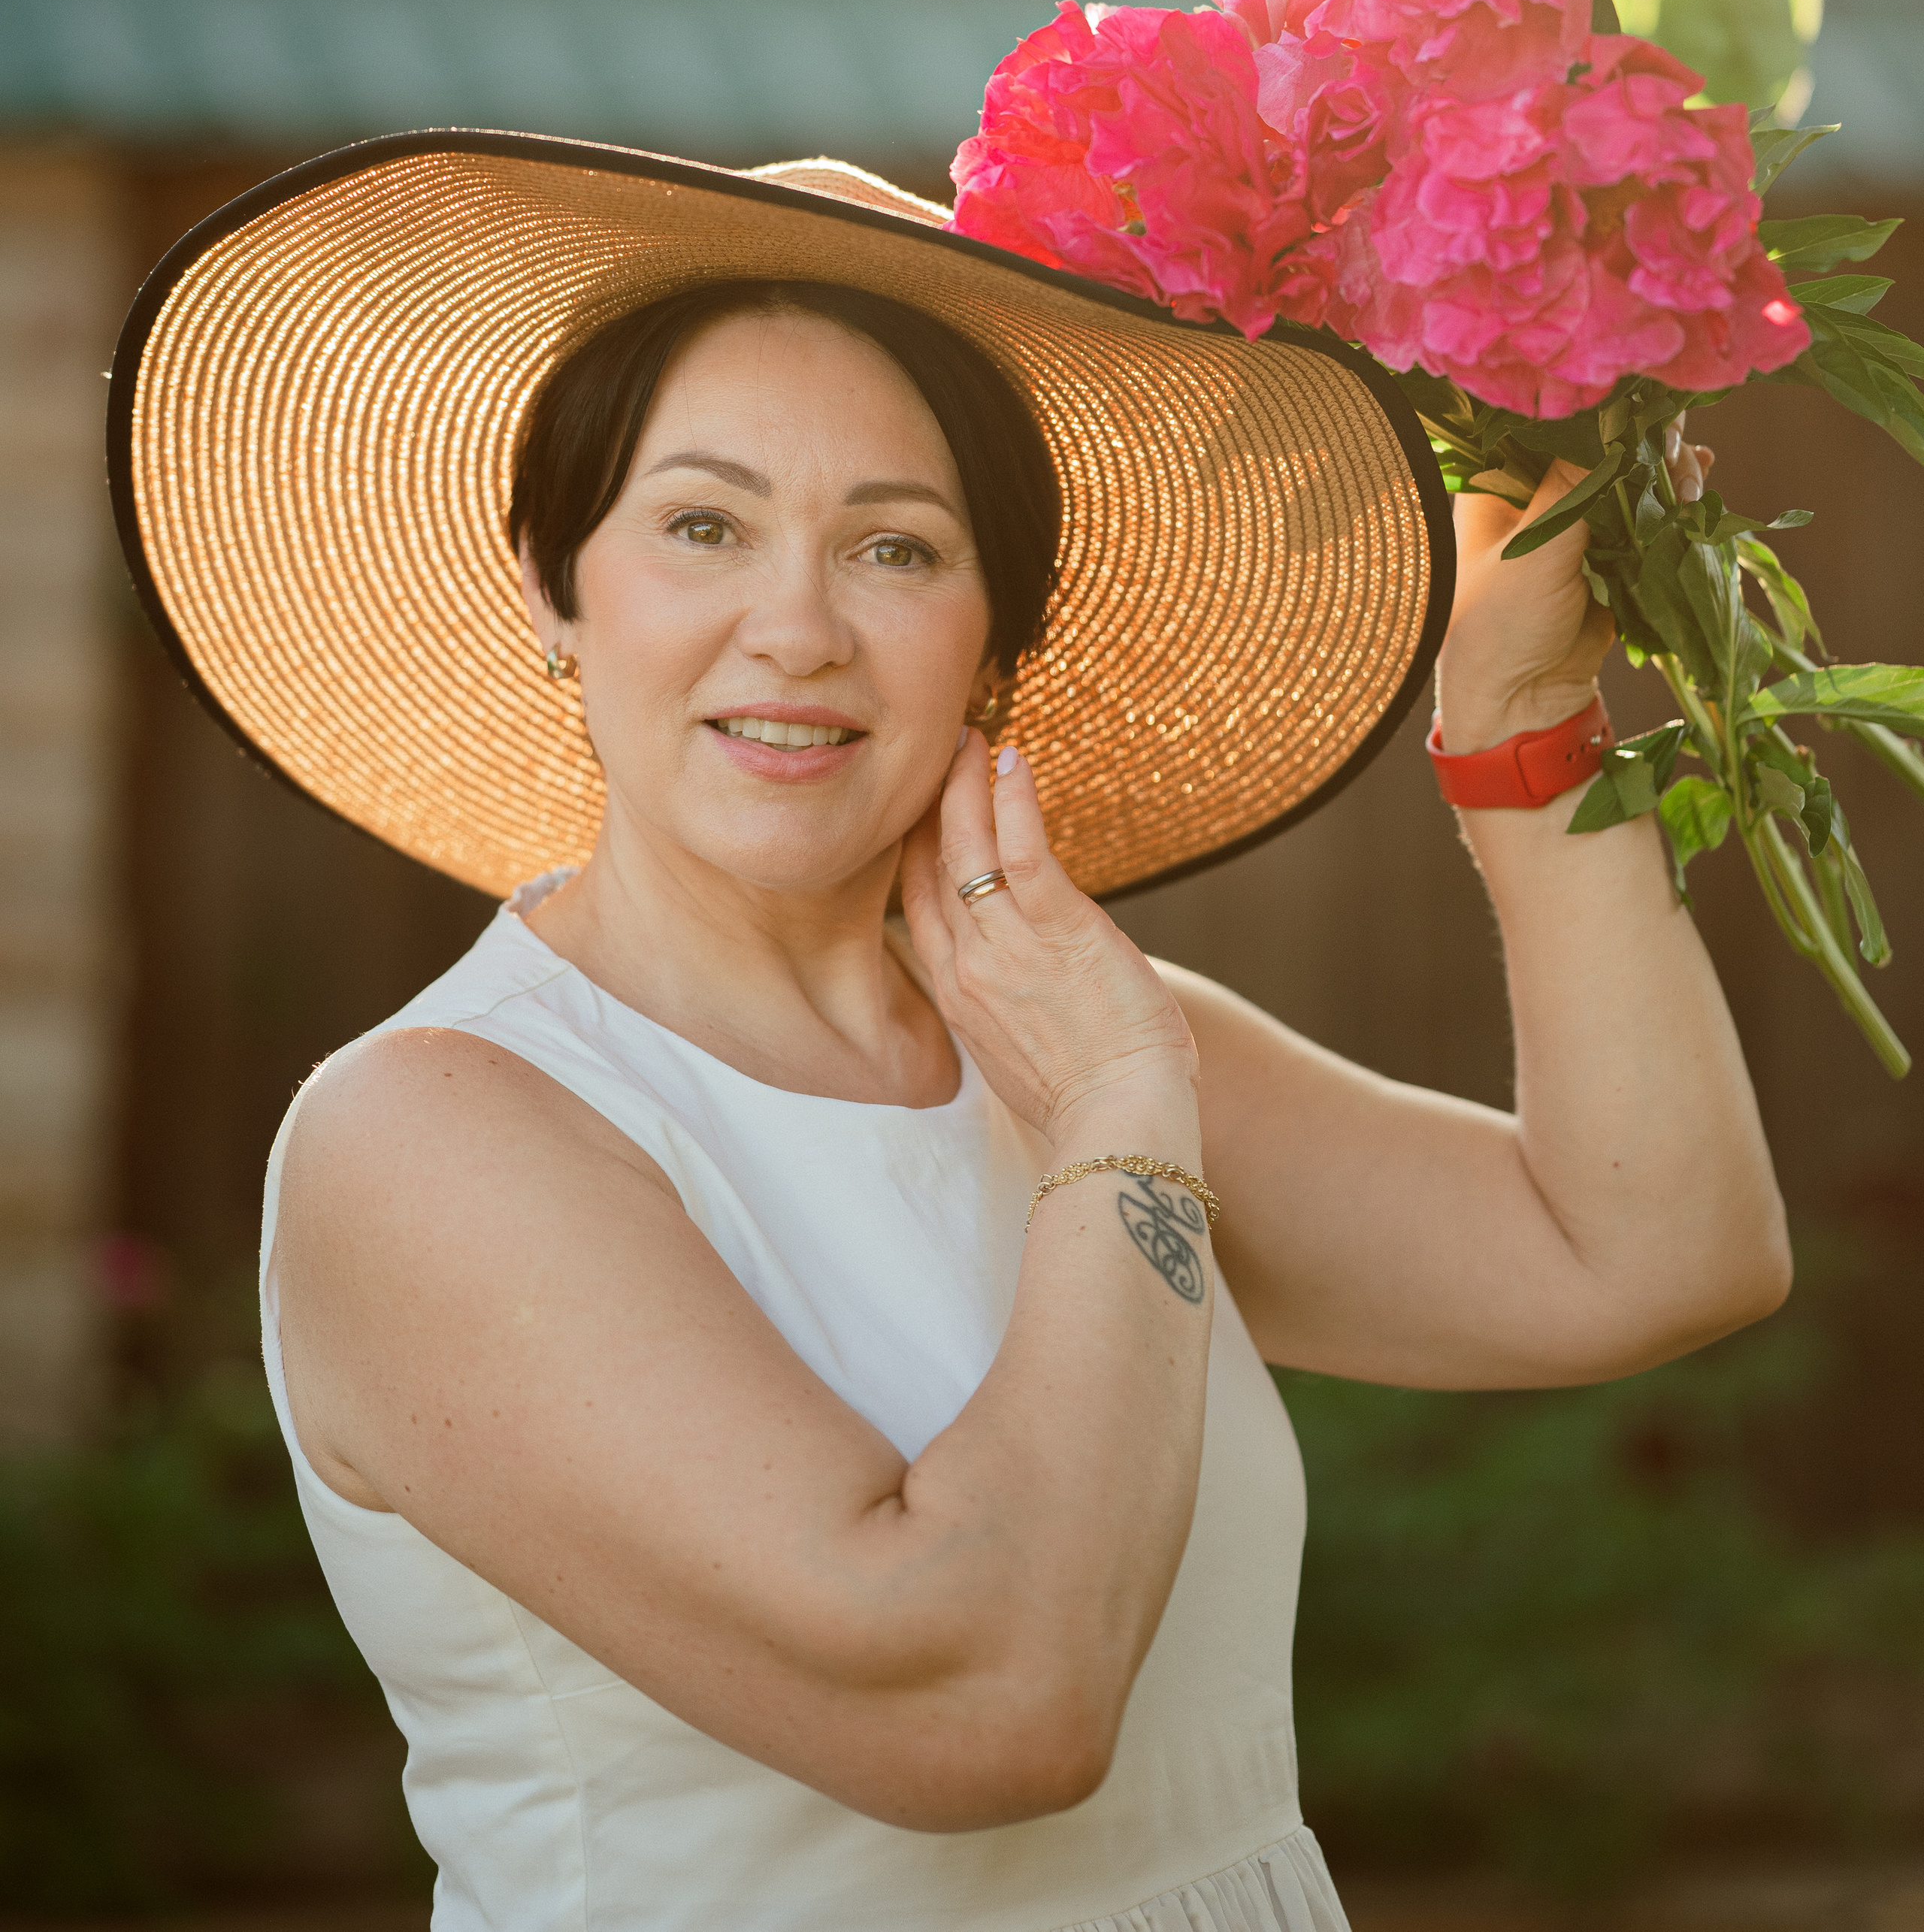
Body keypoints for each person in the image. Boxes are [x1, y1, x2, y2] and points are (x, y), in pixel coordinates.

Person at [109, 138, 1790, 1932]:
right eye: (701, 525)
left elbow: (1648, 1252)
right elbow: (996, 1702)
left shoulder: (1062, 1052)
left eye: (894, 548)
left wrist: (1520, 718)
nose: (797, 628)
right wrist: (1127, 1112)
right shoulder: (437, 1133)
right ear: (554, 589)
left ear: (996, 646)